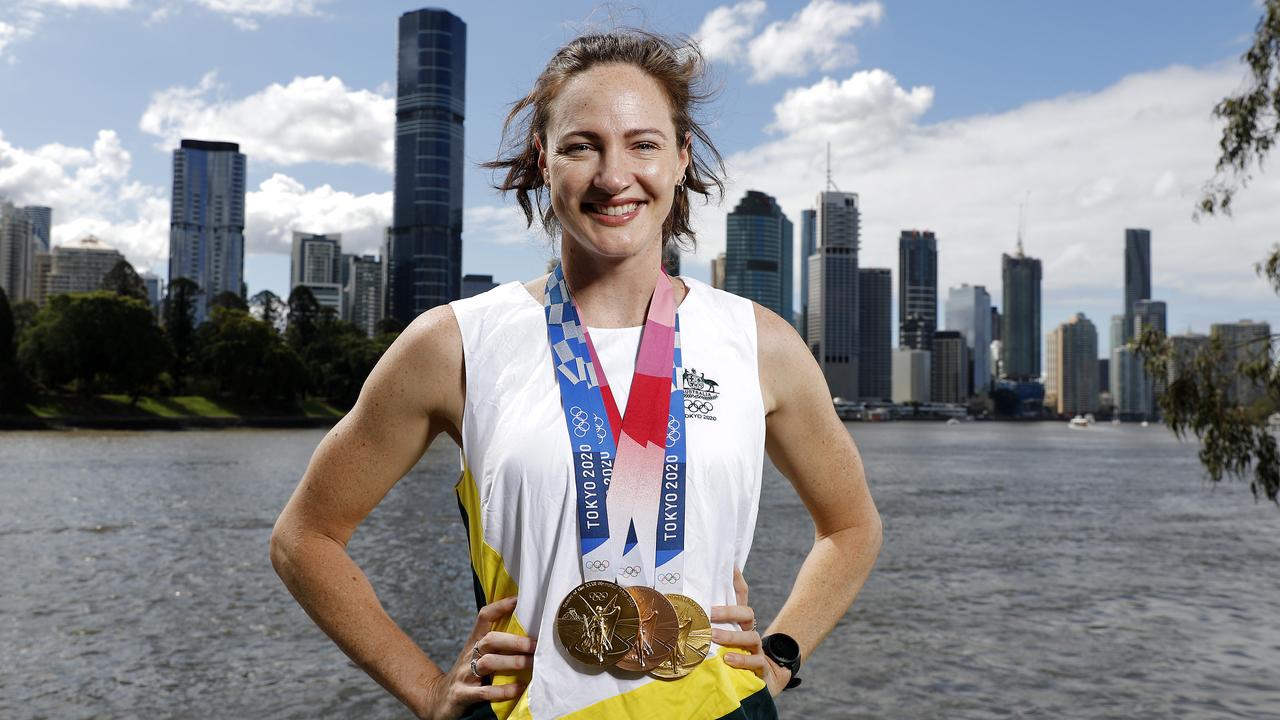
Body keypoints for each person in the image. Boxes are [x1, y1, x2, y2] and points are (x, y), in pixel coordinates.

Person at [270, 29, 881, 720]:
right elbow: (305, 538)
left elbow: (851, 528)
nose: (614, 176)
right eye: (581, 145)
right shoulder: (457, 343)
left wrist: (782, 653)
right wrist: (426, 687)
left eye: (643, 144)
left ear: (681, 159)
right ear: (544, 159)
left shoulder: (759, 342)